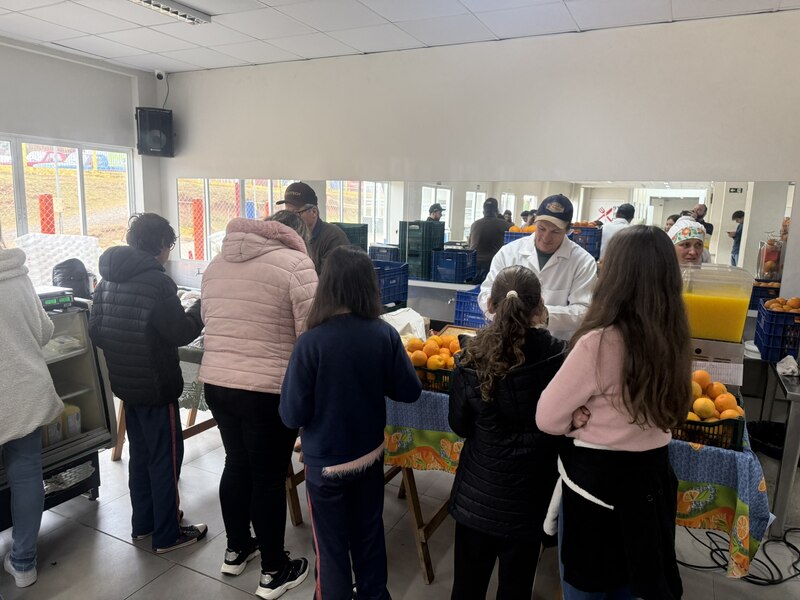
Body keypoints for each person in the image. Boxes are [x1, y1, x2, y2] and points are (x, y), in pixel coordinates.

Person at [536, 225, 689, 600]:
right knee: (637, 580)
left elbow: (546, 418)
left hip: (596, 489)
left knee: (589, 587)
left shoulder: (598, 342)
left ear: (617, 277)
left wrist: (575, 418)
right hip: (651, 482)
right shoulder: (676, 338)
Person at [280, 246, 422, 600]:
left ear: (326, 286)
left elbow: (291, 414)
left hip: (325, 464)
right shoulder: (384, 334)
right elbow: (409, 391)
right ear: (368, 287)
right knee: (369, 537)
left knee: (330, 551)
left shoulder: (310, 343)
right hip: (369, 456)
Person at [199, 211, 316, 598]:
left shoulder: (216, 265)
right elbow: (311, 334)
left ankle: (236, 549)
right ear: (293, 234)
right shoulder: (296, 264)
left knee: (237, 463)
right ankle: (273, 569)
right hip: (267, 389)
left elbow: (207, 318)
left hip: (218, 381)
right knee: (268, 477)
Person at [89, 213, 207, 554]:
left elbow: (97, 330)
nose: (169, 252)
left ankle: (143, 523)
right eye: (169, 245)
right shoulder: (157, 282)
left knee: (140, 454)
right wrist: (200, 307)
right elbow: (181, 332)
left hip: (126, 384)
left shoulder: (107, 279)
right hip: (157, 385)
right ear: (159, 245)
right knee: (166, 458)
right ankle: (168, 533)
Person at [448, 266, 566, 600]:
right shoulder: (561, 356)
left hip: (477, 496)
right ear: (540, 307)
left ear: (491, 305)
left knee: (467, 588)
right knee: (515, 590)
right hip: (531, 501)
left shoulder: (470, 356)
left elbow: (459, 425)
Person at [0, 222, 63, 589]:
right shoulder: (15, 273)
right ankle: (23, 563)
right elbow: (43, 331)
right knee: (26, 477)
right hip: (23, 392)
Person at [479, 194, 596, 341]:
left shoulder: (583, 262)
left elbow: (584, 311)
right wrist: (502, 312)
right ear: (534, 223)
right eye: (541, 228)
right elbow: (485, 294)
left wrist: (545, 315)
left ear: (568, 230)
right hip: (508, 341)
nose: (546, 238)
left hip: (556, 349)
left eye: (555, 232)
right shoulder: (508, 253)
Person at [277, 181, 349, 275]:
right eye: (287, 213)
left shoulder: (333, 238)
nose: (290, 219)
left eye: (295, 213)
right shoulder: (288, 237)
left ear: (314, 212)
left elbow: (330, 282)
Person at [468, 197, 512, 283]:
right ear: (497, 211)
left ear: (483, 211)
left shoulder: (474, 224)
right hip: (493, 266)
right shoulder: (507, 225)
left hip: (473, 266)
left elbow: (470, 243)